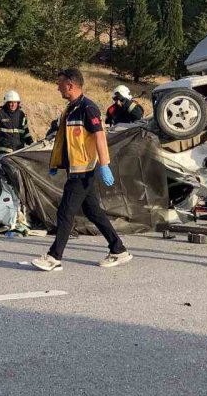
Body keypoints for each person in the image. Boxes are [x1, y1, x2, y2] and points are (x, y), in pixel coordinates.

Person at [32, 68, 133, 272]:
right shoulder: (70, 109)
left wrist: (104, 165)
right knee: (93, 212)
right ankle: (118, 249)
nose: (57, 87)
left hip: (83, 171)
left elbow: (100, 137)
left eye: (60, 83)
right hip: (74, 169)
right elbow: (66, 140)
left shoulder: (88, 108)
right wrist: (55, 163)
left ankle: (54, 256)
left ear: (70, 85)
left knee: (65, 212)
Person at [0, 90, 34, 156]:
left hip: (18, 152)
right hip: (3, 153)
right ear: (6, 103)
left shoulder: (22, 115)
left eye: (15, 102)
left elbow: (26, 132)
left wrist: (31, 143)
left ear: (18, 103)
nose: (13, 105)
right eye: (11, 102)